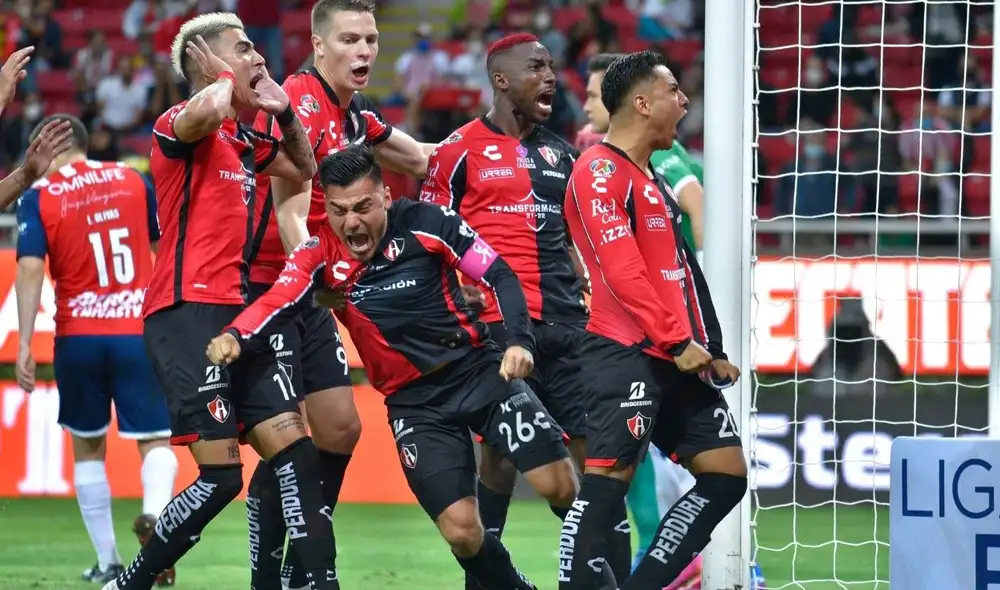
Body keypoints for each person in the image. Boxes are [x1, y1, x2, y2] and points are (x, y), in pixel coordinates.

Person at [208, 145, 580, 590]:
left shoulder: (429, 223)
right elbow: (278, 298)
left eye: (363, 207)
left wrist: (519, 340)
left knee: (562, 488)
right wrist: (236, 334)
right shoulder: (317, 254)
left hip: (479, 373)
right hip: (415, 407)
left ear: (385, 196)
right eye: (339, 210)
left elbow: (498, 273)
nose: (351, 223)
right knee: (462, 531)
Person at [102, 13, 340, 590]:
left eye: (257, 47)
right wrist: (223, 82)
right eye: (243, 49)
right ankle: (134, 580)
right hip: (186, 314)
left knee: (296, 455)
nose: (259, 56)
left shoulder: (241, 142)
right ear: (209, 65)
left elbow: (305, 168)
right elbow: (205, 112)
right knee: (221, 479)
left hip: (241, 316)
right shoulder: (176, 126)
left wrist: (282, 111)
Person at [418, 32, 629, 589]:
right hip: (498, 332)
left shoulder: (563, 154)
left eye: (551, 67)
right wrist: (454, 291)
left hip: (570, 329)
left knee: (600, 467)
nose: (551, 77)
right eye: (536, 67)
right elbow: (430, 241)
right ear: (501, 78)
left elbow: (579, 239)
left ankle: (617, 579)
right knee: (500, 460)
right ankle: (487, 582)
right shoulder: (456, 151)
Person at [244, 1, 441, 588]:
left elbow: (422, 158)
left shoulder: (354, 117)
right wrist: (319, 281)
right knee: (295, 441)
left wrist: (495, 156)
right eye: (350, 39)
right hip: (273, 284)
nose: (364, 51)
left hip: (315, 289)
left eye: (372, 39)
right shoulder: (298, 102)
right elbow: (288, 212)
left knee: (340, 430)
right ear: (318, 43)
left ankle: (295, 560)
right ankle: (280, 570)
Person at [558, 50, 747, 589]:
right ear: (642, 103)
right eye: (673, 92)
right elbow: (622, 272)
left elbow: (682, 270)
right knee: (605, 486)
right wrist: (676, 338)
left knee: (726, 474)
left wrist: (710, 345)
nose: (685, 103)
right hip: (623, 354)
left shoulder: (650, 179)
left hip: (675, 353)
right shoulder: (598, 170)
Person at [14, 115, 177, 587]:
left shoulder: (38, 196)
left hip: (78, 335)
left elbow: (28, 270)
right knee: (156, 441)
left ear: (47, 145)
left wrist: (25, 343)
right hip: (136, 330)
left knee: (87, 447)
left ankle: (108, 561)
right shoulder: (133, 179)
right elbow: (160, 247)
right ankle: (154, 523)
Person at [582, 51, 712, 582]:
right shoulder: (610, 163)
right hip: (642, 329)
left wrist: (702, 286)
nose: (590, 104)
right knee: (637, 466)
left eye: (595, 94)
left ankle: (697, 562)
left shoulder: (666, 159)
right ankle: (670, 562)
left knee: (668, 470)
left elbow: (697, 203)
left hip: (665, 330)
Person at [581, 52, 704, 260]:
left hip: (686, 276)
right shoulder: (630, 150)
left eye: (593, 96)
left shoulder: (652, 152)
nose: (586, 107)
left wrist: (708, 279)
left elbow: (698, 205)